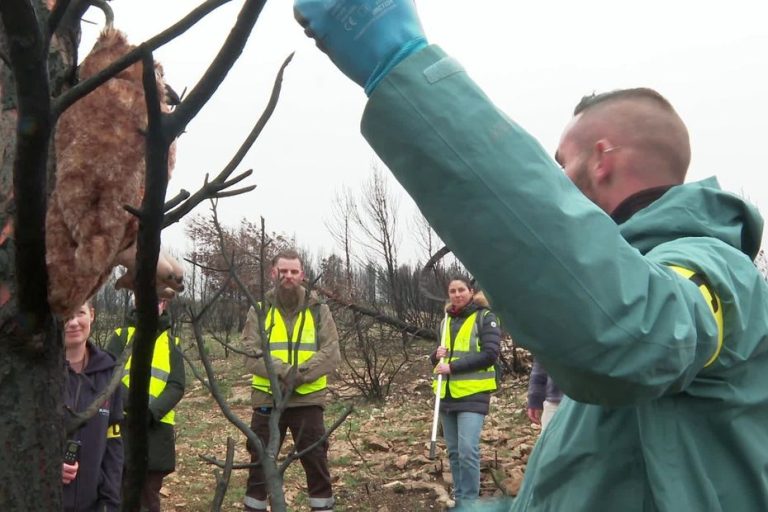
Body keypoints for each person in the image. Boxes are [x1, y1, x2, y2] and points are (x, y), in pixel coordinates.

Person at [291, 2, 768, 510]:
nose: (557, 180)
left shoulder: (719, 272)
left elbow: (637, 334)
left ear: (602, 160)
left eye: (562, 162)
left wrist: (405, 68)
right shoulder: (619, 290)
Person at [241, 249, 341, 512]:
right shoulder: (259, 310)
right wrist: (285, 372)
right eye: (283, 271)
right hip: (267, 400)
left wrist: (300, 375)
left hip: (307, 400)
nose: (288, 276)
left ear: (302, 275)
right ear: (273, 273)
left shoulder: (319, 310)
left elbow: (331, 354)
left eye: (293, 271)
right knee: (259, 464)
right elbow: (251, 354)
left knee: (316, 462)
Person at [106, 298, 185, 512]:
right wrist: (134, 409)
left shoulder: (172, 344)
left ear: (164, 304)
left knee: (149, 496)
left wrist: (150, 413)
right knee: (120, 492)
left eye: (158, 299)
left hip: (156, 431)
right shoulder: (121, 337)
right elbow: (108, 376)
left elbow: (177, 385)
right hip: (122, 427)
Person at [431, 277, 501, 508]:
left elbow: (490, 354)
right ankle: (460, 500)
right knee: (453, 451)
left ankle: (470, 503)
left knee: (468, 450)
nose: (457, 294)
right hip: (447, 394)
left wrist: (452, 367)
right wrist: (435, 356)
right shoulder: (445, 321)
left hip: (473, 394)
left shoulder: (485, 317)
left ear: (471, 292)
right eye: (452, 291)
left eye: (461, 290)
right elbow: (441, 359)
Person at [62, 300, 123, 512]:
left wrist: (110, 501)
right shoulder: (39, 372)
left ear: (92, 315)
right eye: (66, 315)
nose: (73, 322)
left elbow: (114, 442)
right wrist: (48, 467)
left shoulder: (109, 372)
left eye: (80, 312)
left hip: (94, 504)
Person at [525, 359, 562, 432]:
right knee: (550, 441)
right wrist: (535, 398)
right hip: (555, 400)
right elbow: (541, 360)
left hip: (588, 404)